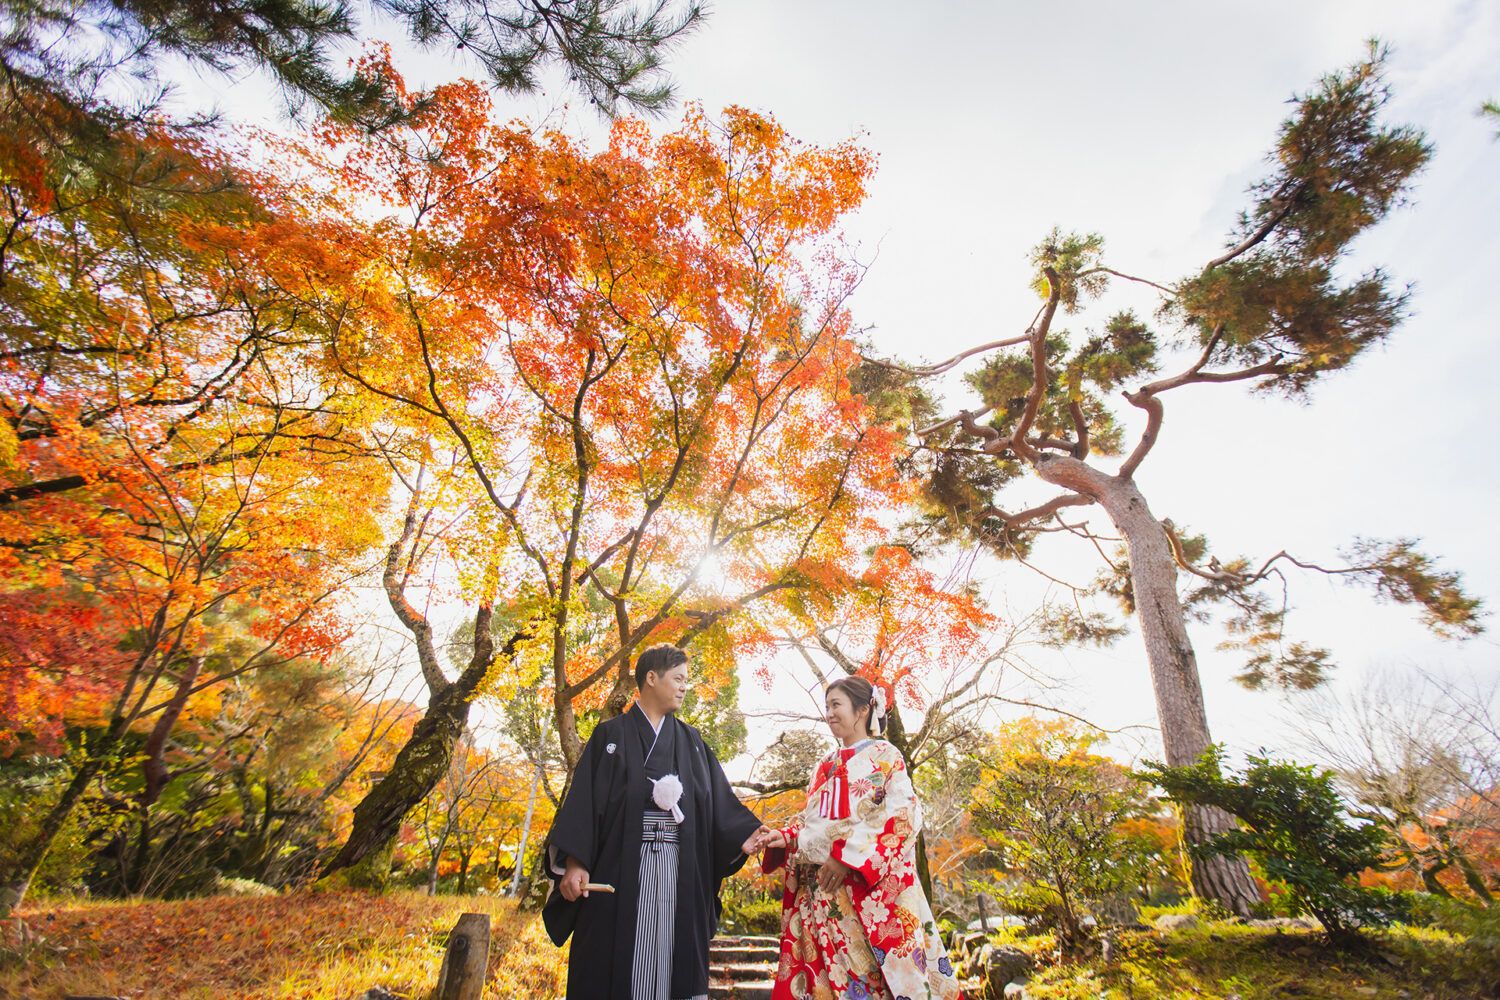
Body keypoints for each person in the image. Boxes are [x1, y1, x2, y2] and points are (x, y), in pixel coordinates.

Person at [542, 644, 770, 1000]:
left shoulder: (692, 742)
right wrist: (575, 862)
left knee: (673, 959)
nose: (684, 687)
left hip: (679, 869)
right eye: (678, 679)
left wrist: (743, 833)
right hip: (618, 870)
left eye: (686, 681)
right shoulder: (610, 736)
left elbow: (717, 804)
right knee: (611, 959)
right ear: (651, 678)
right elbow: (585, 803)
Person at [759, 676, 962, 1000]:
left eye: (836, 705)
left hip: (864, 891)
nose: (829, 713)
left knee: (875, 984)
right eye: (827, 707)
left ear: (864, 709)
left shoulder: (886, 755)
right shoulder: (824, 765)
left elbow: (902, 815)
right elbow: (812, 823)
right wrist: (785, 837)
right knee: (826, 985)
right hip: (821, 895)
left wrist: (845, 856)